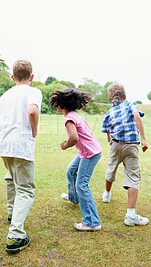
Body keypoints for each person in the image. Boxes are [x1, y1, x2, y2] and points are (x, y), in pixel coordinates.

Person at [0, 59, 42, 254]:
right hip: (20, 142)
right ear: (31, 77)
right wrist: (35, 129)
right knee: (26, 188)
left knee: (11, 178)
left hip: (3, 143)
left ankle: (12, 213)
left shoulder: (4, 96)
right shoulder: (33, 91)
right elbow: (32, 110)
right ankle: (15, 235)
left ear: (13, 77)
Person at [49, 88, 103, 231]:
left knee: (82, 185)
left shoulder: (69, 119)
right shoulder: (75, 115)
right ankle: (74, 198)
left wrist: (64, 145)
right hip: (88, 151)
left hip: (89, 153)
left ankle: (92, 222)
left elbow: (73, 138)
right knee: (71, 171)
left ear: (61, 105)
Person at [101, 83, 149, 226]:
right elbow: (136, 116)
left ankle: (107, 195)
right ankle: (130, 215)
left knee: (111, 168)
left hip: (115, 145)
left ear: (110, 99)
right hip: (131, 145)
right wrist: (144, 139)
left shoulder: (108, 113)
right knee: (133, 177)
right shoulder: (130, 104)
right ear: (125, 96)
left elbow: (108, 134)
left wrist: (112, 142)